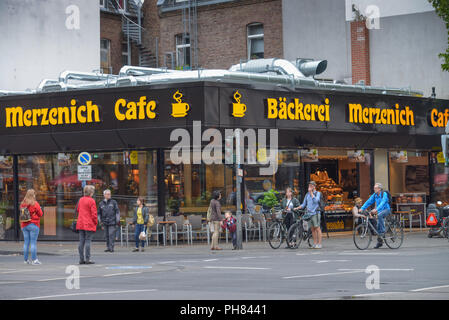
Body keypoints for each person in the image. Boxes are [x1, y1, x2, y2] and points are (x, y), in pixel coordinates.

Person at [360, 183, 391, 249]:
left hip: (386, 209)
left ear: (379, 189)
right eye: (374, 188)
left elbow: (383, 203)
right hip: (379, 210)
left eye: (375, 188)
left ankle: (382, 232)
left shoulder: (384, 194)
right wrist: (362, 208)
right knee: (377, 225)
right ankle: (379, 242)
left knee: (379, 216)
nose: (374, 189)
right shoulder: (375, 195)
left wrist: (376, 209)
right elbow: (369, 201)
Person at [20, 189, 43, 265]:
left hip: (24, 225)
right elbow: (40, 214)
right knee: (33, 243)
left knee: (26, 243)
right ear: (33, 195)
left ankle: (25, 260)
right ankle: (34, 260)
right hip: (33, 224)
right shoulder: (35, 203)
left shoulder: (22, 203)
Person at [76, 185, 98, 265]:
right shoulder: (92, 201)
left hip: (81, 222)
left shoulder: (80, 199)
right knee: (88, 241)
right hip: (88, 223)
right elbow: (94, 214)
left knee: (81, 241)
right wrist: (96, 222)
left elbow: (78, 209)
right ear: (91, 193)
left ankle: (81, 259)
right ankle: (88, 259)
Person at [299, 181, 322, 249]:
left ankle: (319, 243)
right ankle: (315, 243)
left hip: (315, 213)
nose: (309, 187)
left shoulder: (318, 193)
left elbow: (316, 201)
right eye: (309, 186)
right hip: (309, 214)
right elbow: (303, 204)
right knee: (312, 229)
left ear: (314, 187)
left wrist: (311, 193)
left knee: (317, 228)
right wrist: (297, 207)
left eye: (311, 186)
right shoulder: (307, 194)